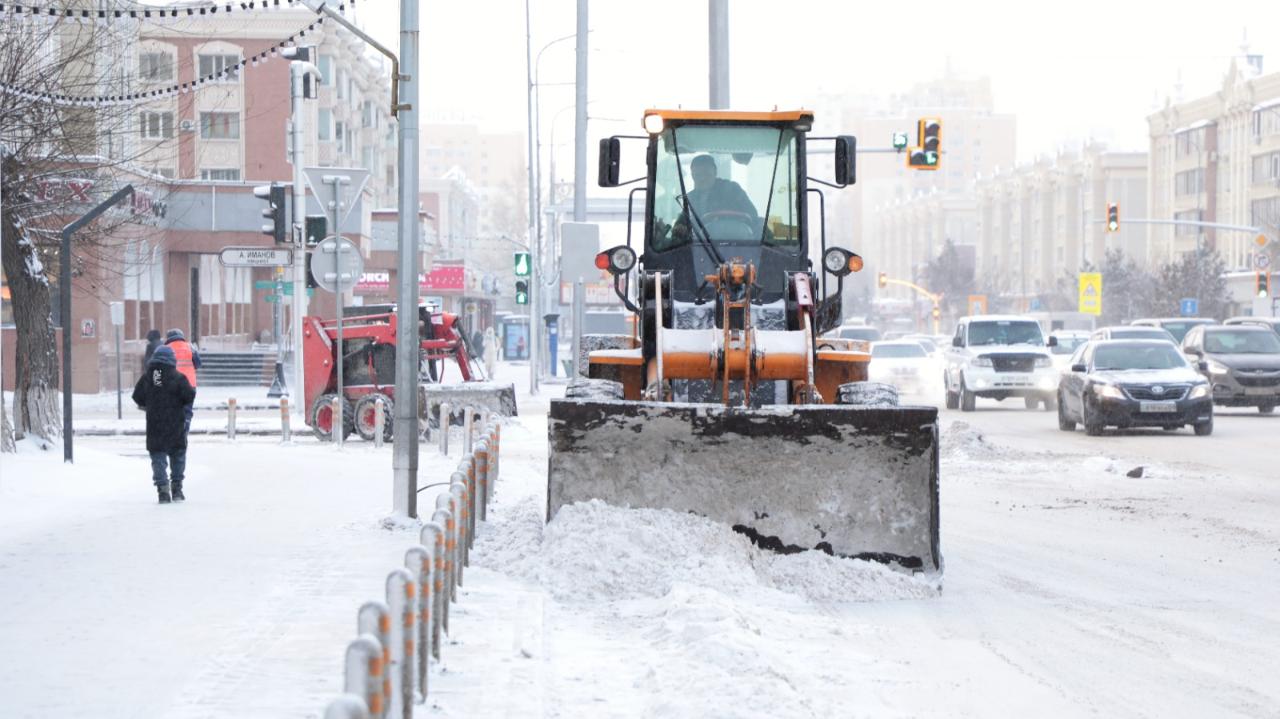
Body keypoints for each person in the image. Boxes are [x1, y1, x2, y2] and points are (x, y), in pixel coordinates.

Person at [132, 345, 195, 503]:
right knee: (178, 455)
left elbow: (137, 397)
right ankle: (177, 488)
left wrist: (151, 402)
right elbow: (189, 396)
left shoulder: (149, 377)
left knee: (158, 457)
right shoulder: (178, 377)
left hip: (155, 425)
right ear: (171, 360)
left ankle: (163, 491)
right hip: (175, 424)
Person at [672, 154, 760, 242]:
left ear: (715, 172)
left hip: (737, 244)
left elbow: (752, 215)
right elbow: (682, 223)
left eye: (706, 174)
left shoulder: (732, 190)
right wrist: (679, 228)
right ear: (692, 176)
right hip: (703, 247)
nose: (702, 178)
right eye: (697, 175)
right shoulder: (691, 198)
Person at [165, 328, 201, 434]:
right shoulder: (190, 347)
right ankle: (184, 432)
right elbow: (198, 364)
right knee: (187, 411)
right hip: (190, 384)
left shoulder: (165, 349)